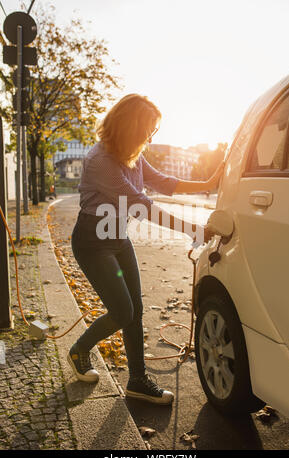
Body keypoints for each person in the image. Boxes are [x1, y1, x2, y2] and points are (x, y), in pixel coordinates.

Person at [67, 94, 224, 405]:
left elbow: (163, 182)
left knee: (135, 311)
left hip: (117, 237)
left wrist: (209, 181)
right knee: (122, 312)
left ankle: (137, 381)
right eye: (149, 129)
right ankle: (80, 350)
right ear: (130, 127)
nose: (151, 137)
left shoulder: (132, 154)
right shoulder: (101, 162)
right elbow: (144, 207)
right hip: (93, 242)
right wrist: (195, 230)